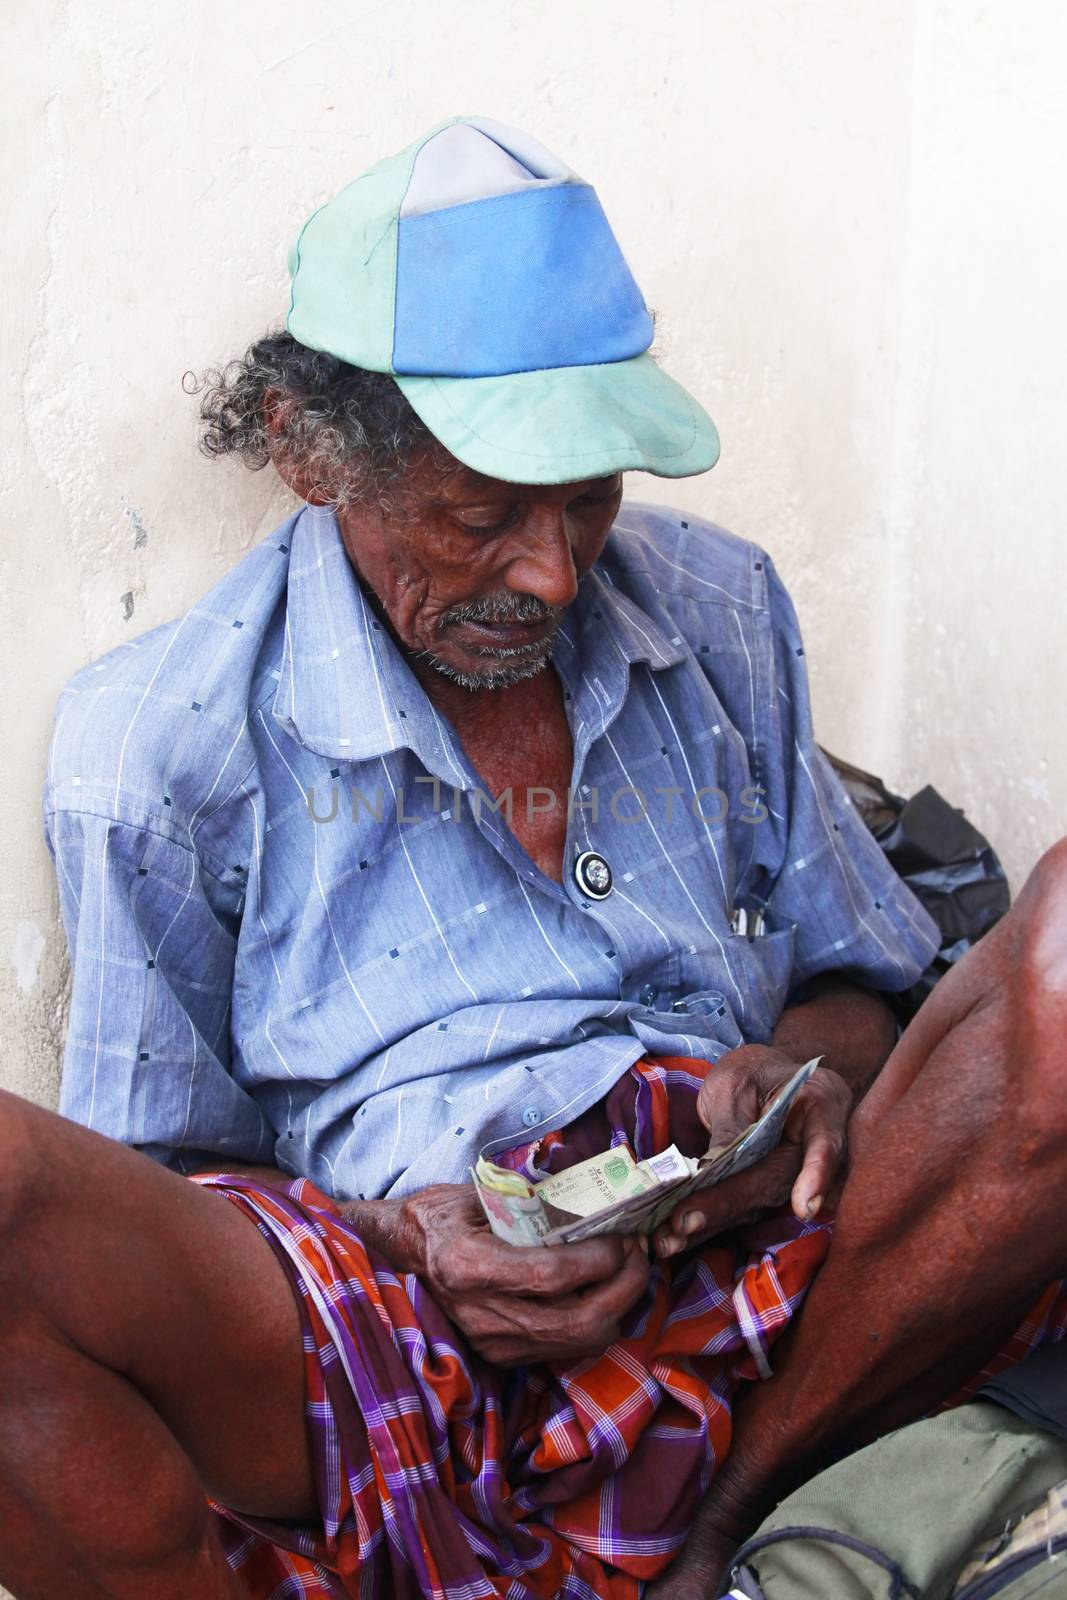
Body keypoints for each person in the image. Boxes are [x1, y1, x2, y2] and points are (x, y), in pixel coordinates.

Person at [6, 116, 1051, 1599]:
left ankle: (713, 1528)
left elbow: (863, 980)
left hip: (772, 1253)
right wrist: (411, 1234)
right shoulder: (160, 742)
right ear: (310, 456)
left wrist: (803, 1078)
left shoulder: (721, 606)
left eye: (589, 499)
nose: (556, 573)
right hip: (407, 1310)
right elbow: (167, 1197)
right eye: (485, 516)